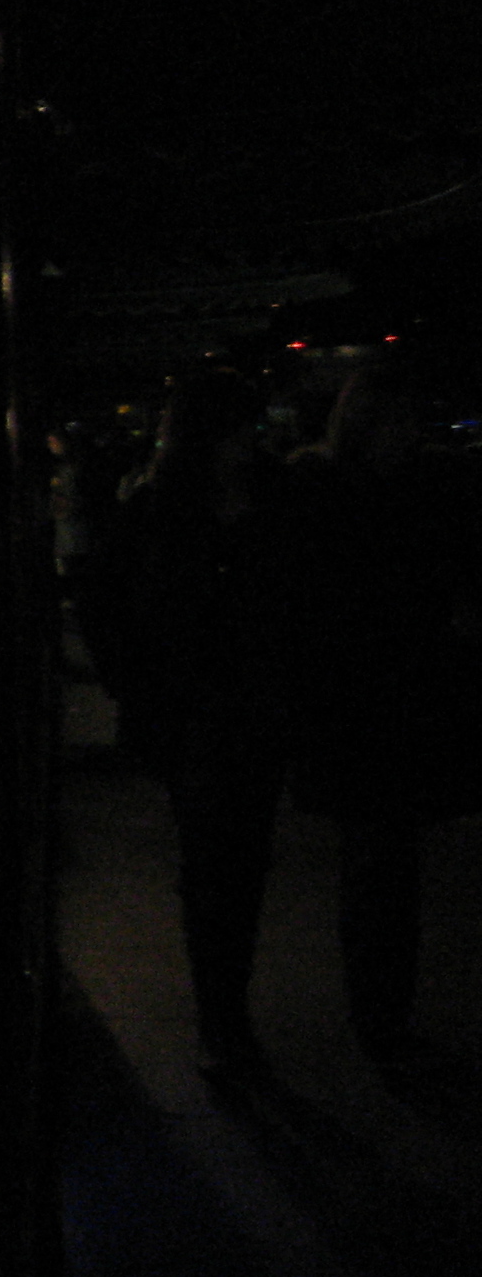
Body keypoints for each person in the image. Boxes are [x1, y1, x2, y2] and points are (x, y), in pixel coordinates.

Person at [84, 368, 298, 1078]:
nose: (248, 442)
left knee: (230, 863)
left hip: (229, 707)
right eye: (240, 429)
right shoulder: (196, 505)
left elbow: (104, 600)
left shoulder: (172, 506)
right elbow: (107, 602)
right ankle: (222, 1014)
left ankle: (223, 1013)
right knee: (221, 864)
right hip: (207, 709)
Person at [282, 361, 481, 1082]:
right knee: (384, 866)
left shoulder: (326, 488)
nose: (407, 435)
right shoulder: (412, 490)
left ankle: (381, 1013)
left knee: (381, 867)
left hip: (368, 701)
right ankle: (382, 1015)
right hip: (379, 701)